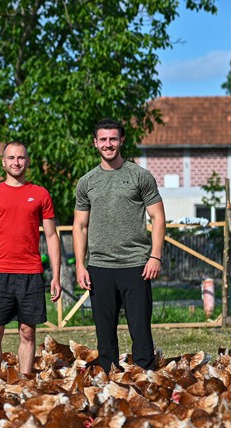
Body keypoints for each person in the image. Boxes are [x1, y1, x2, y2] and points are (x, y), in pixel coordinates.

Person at [72, 118, 166, 371]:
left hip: (136, 265)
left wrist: (155, 256)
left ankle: (146, 378)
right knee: (105, 333)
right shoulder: (87, 182)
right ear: (95, 143)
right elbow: (80, 226)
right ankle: (108, 379)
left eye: (113, 139)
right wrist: (80, 265)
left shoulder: (140, 176)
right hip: (99, 266)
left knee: (140, 330)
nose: (108, 144)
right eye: (103, 139)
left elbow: (158, 217)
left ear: (121, 140)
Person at [0, 141, 61, 377]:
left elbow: (51, 235)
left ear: (27, 161)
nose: (16, 162)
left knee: (27, 333)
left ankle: (24, 382)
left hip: (31, 273)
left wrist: (56, 276)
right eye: (11, 158)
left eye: (21, 158)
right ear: (3, 162)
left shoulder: (40, 194)